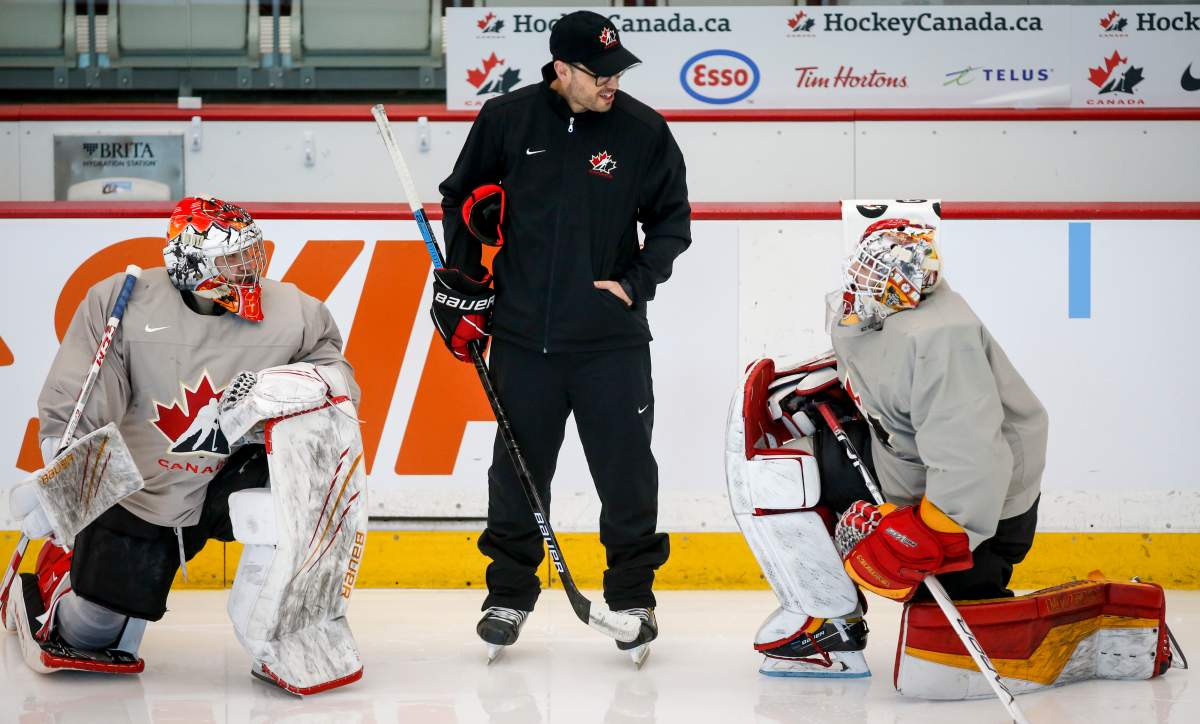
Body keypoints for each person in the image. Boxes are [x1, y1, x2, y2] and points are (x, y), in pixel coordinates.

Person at [727, 213, 1181, 695]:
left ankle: (1058, 616)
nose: (863, 285)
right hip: (906, 469)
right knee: (778, 474)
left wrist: (937, 532)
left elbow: (972, 456)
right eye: (863, 271)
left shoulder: (940, 340)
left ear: (909, 286)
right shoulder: (875, 313)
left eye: (879, 279)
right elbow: (891, 383)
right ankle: (826, 625)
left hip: (974, 515)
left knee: (946, 613)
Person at [5, 195, 368, 694]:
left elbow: (338, 384)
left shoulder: (299, 313)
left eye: (251, 254)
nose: (249, 269)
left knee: (293, 506)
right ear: (189, 262)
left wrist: (295, 386)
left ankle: (290, 631)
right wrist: (68, 484)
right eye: (232, 258)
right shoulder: (121, 301)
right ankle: (62, 576)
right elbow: (80, 404)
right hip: (141, 488)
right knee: (92, 634)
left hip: (234, 473)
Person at [433, 10, 691, 662]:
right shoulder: (507, 121)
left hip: (610, 343)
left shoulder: (641, 132)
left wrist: (635, 283)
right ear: (562, 70)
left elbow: (671, 222)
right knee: (517, 475)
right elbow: (460, 197)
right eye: (598, 73)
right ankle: (509, 595)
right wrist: (465, 280)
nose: (611, 83)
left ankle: (632, 596)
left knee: (627, 476)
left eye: (616, 70)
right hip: (522, 339)